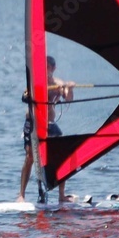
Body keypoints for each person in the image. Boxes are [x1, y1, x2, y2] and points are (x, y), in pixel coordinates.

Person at [16, 56, 75, 203]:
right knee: (30, 156)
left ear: (53, 68)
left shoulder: (58, 84)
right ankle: (21, 195)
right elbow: (24, 96)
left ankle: (61, 195)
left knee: (63, 154)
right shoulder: (35, 82)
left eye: (48, 67)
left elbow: (68, 99)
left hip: (49, 124)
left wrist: (69, 88)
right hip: (33, 122)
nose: (46, 70)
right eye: (44, 67)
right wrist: (32, 92)